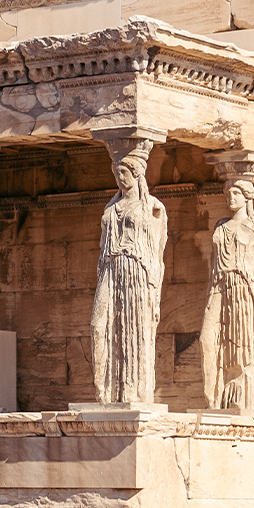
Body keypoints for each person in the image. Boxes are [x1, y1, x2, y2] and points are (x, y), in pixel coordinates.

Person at [91, 146, 167, 404]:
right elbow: (103, 245)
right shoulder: (111, 209)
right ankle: (105, 391)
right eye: (116, 172)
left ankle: (133, 394)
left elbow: (158, 249)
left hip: (137, 271)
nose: (119, 177)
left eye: (123, 172)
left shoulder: (153, 207)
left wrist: (154, 288)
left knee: (135, 330)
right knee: (99, 326)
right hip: (111, 270)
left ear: (137, 174)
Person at [201, 177, 254, 409]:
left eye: (236, 193)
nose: (231, 197)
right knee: (207, 341)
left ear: (248, 198)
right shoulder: (220, 226)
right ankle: (214, 397)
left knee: (241, 349)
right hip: (219, 287)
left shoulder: (253, 228)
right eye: (228, 193)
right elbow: (213, 263)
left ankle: (239, 399)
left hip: (243, 289)